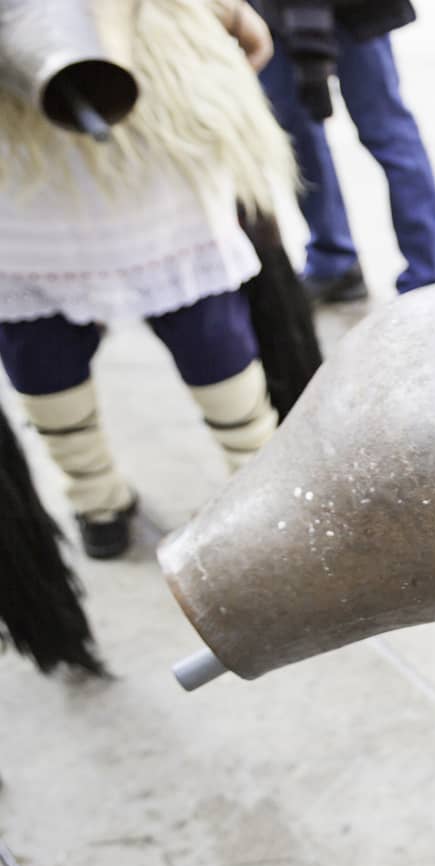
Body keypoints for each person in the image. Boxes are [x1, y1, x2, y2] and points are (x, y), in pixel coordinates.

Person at [0, 0, 295, 559]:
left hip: (108, 105)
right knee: (196, 309)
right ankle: (258, 486)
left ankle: (100, 506)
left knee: (49, 328)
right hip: (102, 97)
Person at [255, 0, 435, 302]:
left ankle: (430, 279)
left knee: (390, 136)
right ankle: (334, 261)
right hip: (274, 14)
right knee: (297, 139)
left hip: (353, 11)